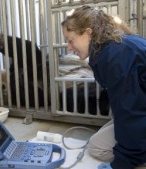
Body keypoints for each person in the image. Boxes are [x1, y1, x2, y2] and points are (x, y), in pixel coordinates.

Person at [62, 5, 146, 169]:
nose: (68, 47)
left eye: (70, 40)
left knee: (97, 148)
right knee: (99, 139)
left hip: (139, 111)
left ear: (88, 32)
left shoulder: (115, 57)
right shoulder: (116, 46)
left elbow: (131, 114)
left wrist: (121, 163)